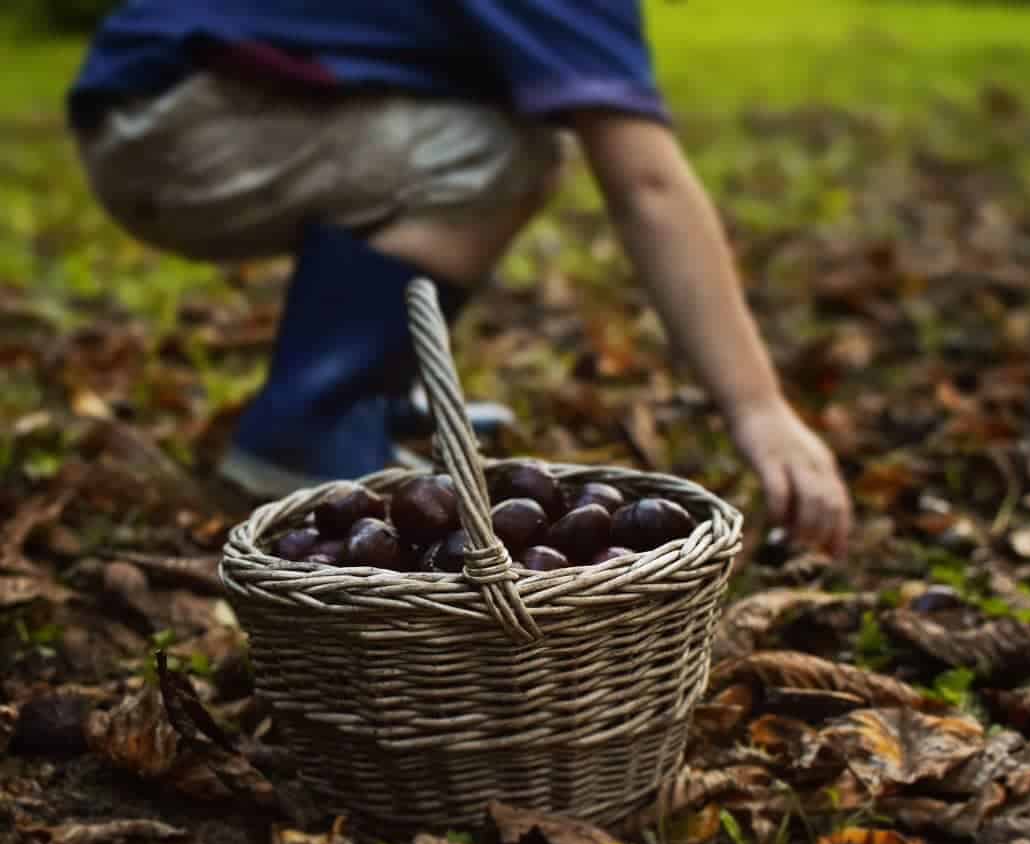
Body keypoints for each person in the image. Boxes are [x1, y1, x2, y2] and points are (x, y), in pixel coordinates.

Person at [68, 1, 851, 556]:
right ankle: (311, 421)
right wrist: (757, 408)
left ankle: (365, 394)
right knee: (508, 153)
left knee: (499, 127)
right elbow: (645, 184)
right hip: (176, 122)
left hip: (161, 97)